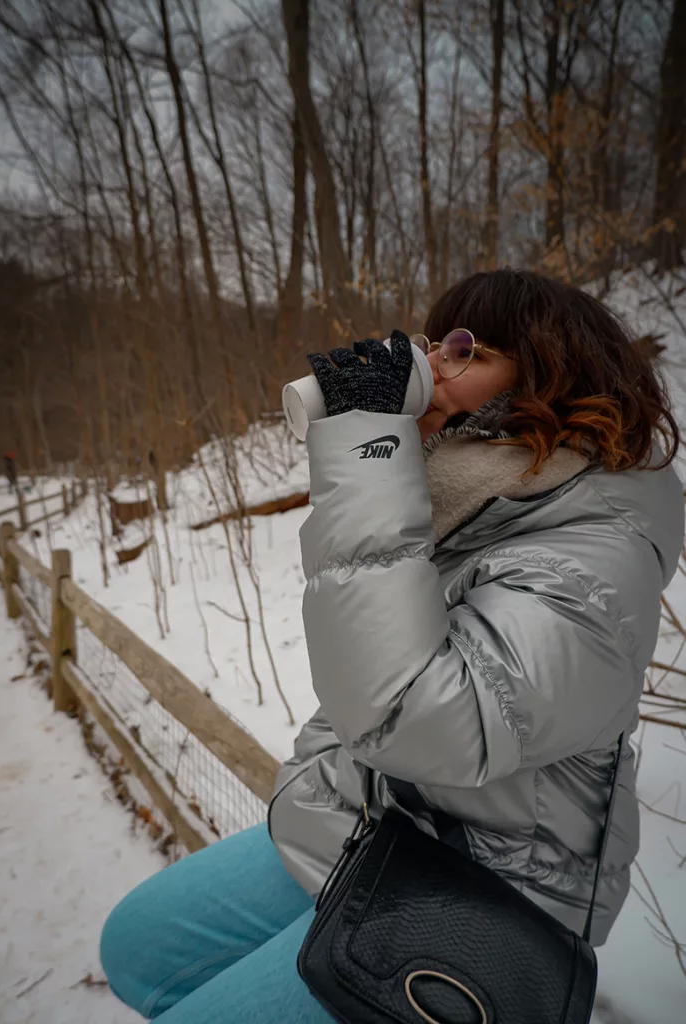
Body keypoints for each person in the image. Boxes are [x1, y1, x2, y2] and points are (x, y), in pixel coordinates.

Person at [100, 269, 683, 1023]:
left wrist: (368, 452)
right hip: (378, 817)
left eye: (467, 348)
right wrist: (384, 455)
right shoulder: (465, 497)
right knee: (137, 945)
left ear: (551, 373)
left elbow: (419, 718)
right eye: (434, 342)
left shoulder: (598, 544)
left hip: (479, 884)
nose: (435, 364)